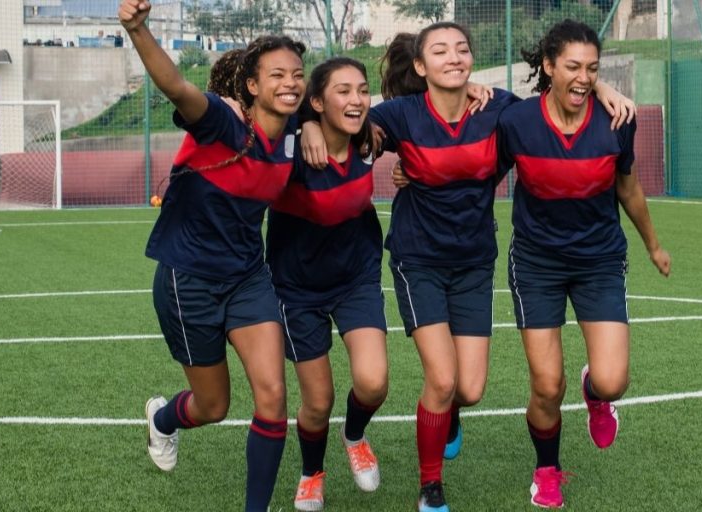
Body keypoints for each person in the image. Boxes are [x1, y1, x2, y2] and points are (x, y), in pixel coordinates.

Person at [303, 21, 635, 512]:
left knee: (470, 388)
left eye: (462, 49)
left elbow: (560, 96)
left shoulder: (497, 107)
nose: (454, 57)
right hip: (419, 261)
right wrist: (309, 124)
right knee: (442, 380)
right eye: (440, 51)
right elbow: (342, 115)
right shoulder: (400, 114)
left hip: (476, 261)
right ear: (421, 66)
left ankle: (450, 415)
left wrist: (599, 83)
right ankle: (430, 487)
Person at [119, 2, 305, 510]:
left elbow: (354, 109)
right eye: (277, 75)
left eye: (297, 74)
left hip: (249, 278)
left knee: (273, 399)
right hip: (189, 280)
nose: (291, 83)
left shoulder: (296, 128)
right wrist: (138, 29)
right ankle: (162, 419)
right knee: (214, 405)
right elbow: (176, 86)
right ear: (252, 85)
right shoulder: (221, 122)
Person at [496, 19, 671, 508]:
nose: (582, 77)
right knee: (546, 385)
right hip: (536, 263)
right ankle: (547, 470)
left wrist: (653, 245)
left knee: (614, 380)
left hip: (598, 260)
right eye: (572, 66)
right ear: (548, 67)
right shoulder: (518, 123)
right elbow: (477, 170)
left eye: (593, 69)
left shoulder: (617, 120)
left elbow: (629, 188)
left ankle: (594, 395)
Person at [265, 57, 387, 512]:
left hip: (354, 279)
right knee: (317, 402)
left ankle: (354, 435)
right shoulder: (290, 150)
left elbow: (420, 104)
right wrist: (304, 124)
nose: (355, 99)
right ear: (318, 100)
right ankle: (311, 472)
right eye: (342, 91)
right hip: (296, 291)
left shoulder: (370, 139)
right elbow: (254, 110)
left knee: (373, 384)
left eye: (361, 89)